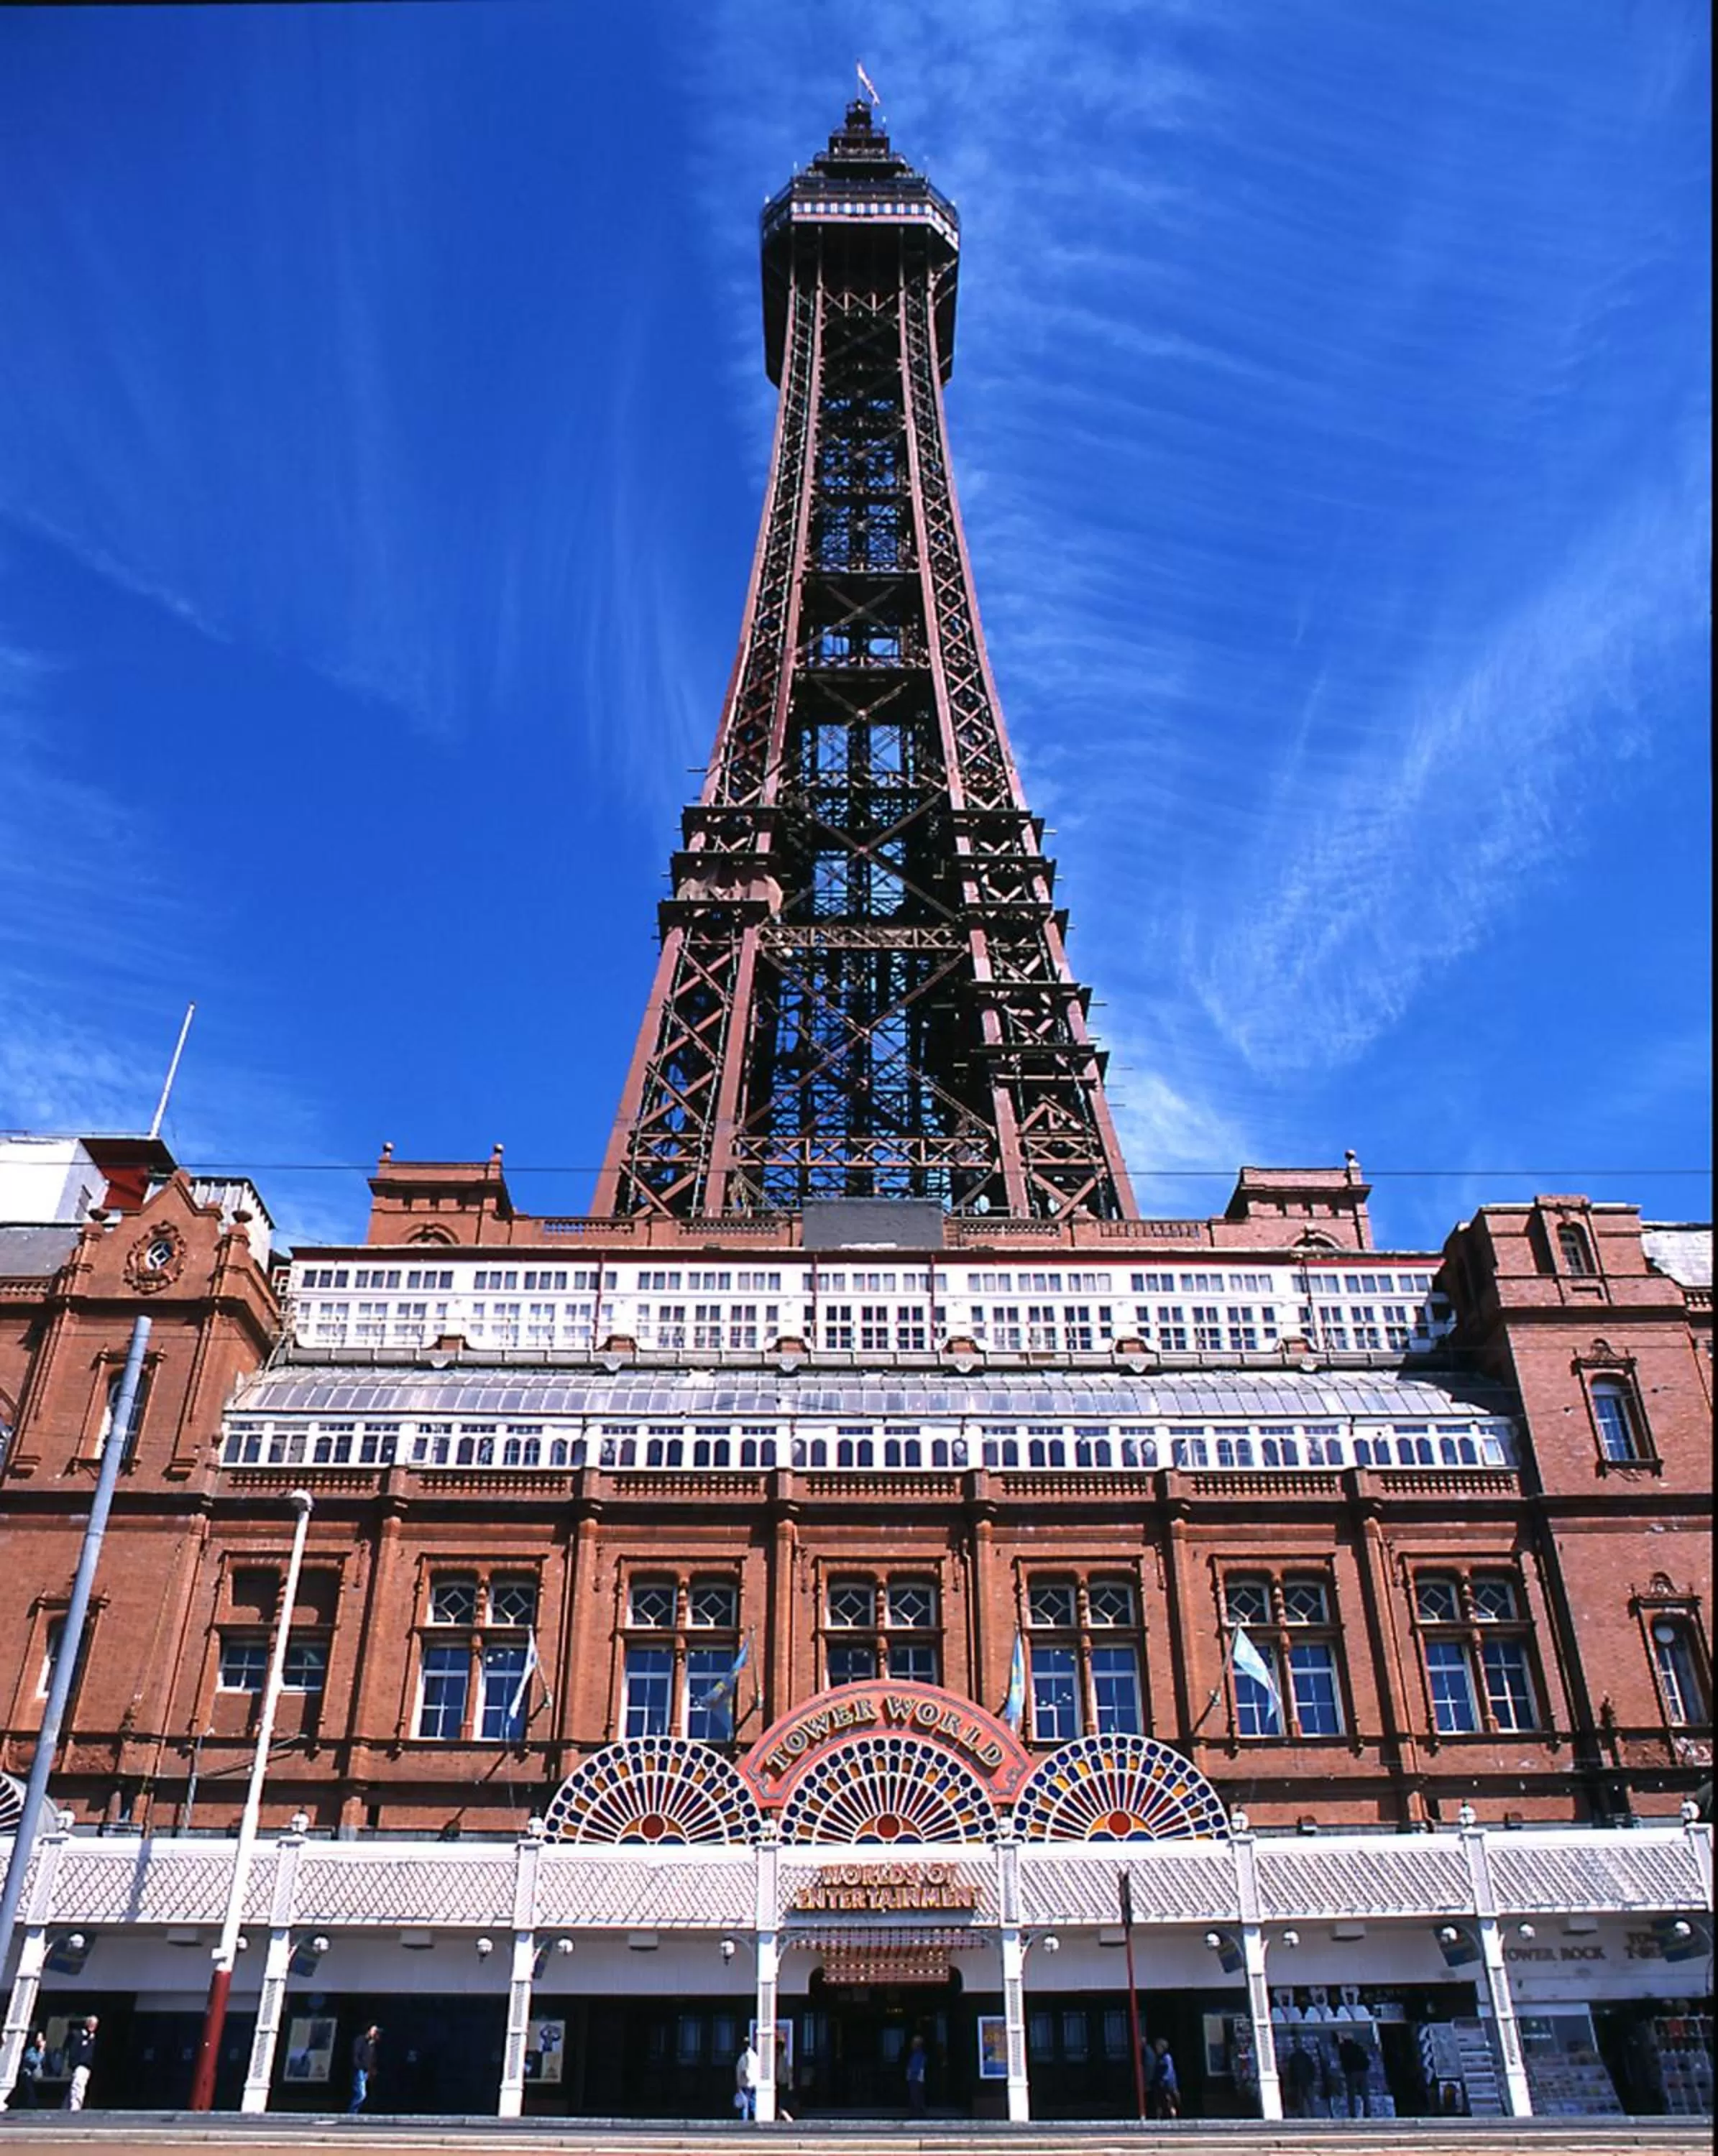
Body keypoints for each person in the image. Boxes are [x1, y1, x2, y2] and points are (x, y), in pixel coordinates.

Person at [64, 2017, 97, 2111]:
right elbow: (73, 2050)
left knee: (78, 2085)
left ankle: (71, 2105)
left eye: (94, 2025)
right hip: (80, 2065)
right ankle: (75, 2106)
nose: (93, 2026)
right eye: (91, 2024)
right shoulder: (78, 2035)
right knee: (78, 2085)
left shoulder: (92, 2038)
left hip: (86, 2066)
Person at [1337, 2031, 1371, 2118]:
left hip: (1351, 2073)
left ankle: (1352, 2113)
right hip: (1362, 2071)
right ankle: (1367, 2112)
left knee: (1351, 2094)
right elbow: (1366, 2059)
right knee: (1365, 2094)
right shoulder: (1358, 2047)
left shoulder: (1344, 2048)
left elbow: (1343, 2059)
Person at [1146, 2035, 1180, 2119]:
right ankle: (1159, 2116)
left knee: (1168, 2101)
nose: (1157, 2049)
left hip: (1167, 2084)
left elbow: (1169, 2071)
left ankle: (1173, 2116)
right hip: (1159, 2083)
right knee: (1159, 2101)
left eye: (1159, 2047)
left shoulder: (1167, 2058)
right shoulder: (1158, 2058)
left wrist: (1164, 2079)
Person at [349, 2024, 380, 2114]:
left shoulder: (372, 2043)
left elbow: (372, 2057)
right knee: (361, 2094)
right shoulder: (360, 2040)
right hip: (360, 2070)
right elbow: (356, 2055)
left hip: (367, 2070)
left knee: (364, 2093)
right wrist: (359, 2066)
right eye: (374, 2031)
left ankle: (356, 2111)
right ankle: (352, 2112)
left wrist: (372, 2068)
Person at [11, 2030, 45, 2109]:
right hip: (27, 2076)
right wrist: (41, 2051)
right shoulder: (30, 2051)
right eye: (39, 2038)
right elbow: (34, 2061)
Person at [1284, 2037, 1318, 2117]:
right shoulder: (1304, 2056)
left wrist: (1292, 2081)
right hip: (1304, 2081)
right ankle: (1310, 2113)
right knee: (1306, 2098)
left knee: (1302, 2099)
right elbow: (1312, 2067)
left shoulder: (1295, 2057)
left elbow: (1291, 2070)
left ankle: (1304, 2113)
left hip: (1301, 2081)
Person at [735, 2037, 760, 2122]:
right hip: (754, 2083)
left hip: (746, 2084)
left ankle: (745, 2121)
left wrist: (742, 2081)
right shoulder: (755, 2056)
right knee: (753, 2102)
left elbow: (744, 2070)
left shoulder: (745, 2056)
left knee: (745, 2103)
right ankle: (757, 2119)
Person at [905, 2032, 927, 2114]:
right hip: (916, 2078)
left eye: (914, 2043)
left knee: (916, 2097)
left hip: (915, 2079)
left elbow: (916, 2068)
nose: (912, 2045)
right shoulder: (917, 2054)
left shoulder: (919, 2055)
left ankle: (917, 2113)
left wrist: (911, 2076)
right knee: (917, 2097)